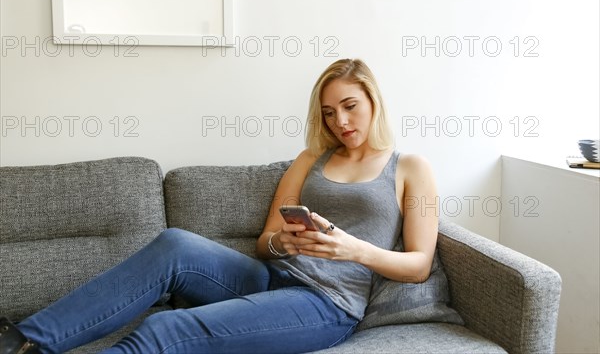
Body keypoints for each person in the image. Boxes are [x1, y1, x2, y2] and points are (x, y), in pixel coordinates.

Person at [0, 59, 439, 354]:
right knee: (174, 243)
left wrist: (353, 250)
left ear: (373, 102)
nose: (340, 122)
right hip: (274, 277)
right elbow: (265, 243)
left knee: (162, 329)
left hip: (328, 303)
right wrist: (284, 242)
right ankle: (22, 341)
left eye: (349, 107)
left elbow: (419, 265)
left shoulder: (410, 168)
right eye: (328, 113)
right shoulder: (310, 160)